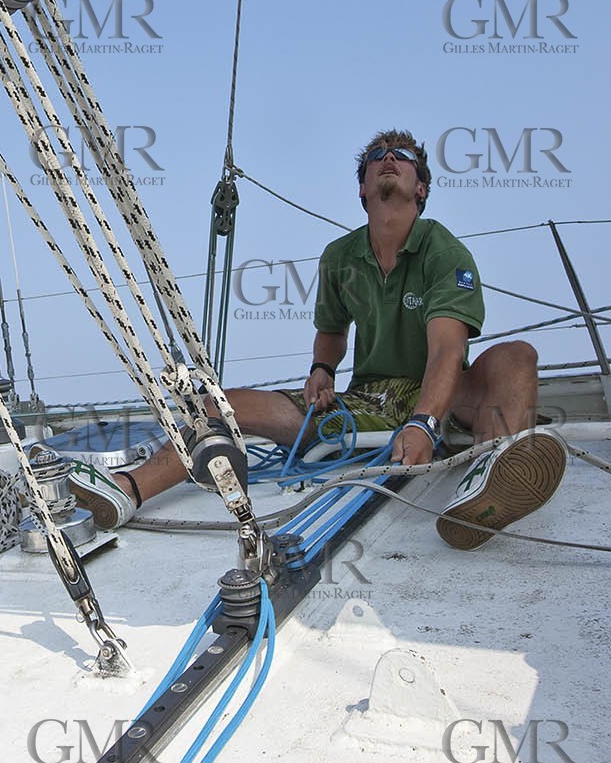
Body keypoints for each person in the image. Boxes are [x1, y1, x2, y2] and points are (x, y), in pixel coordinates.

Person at [68, 129, 566, 549]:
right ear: (363, 190)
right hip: (367, 399)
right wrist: (321, 371)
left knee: (517, 357)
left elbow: (447, 350)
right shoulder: (339, 256)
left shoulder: (442, 249)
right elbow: (331, 331)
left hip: (443, 390)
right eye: (377, 157)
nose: (389, 159)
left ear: (421, 190)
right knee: (216, 406)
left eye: (404, 157)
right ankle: (129, 490)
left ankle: (490, 481)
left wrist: (424, 424)